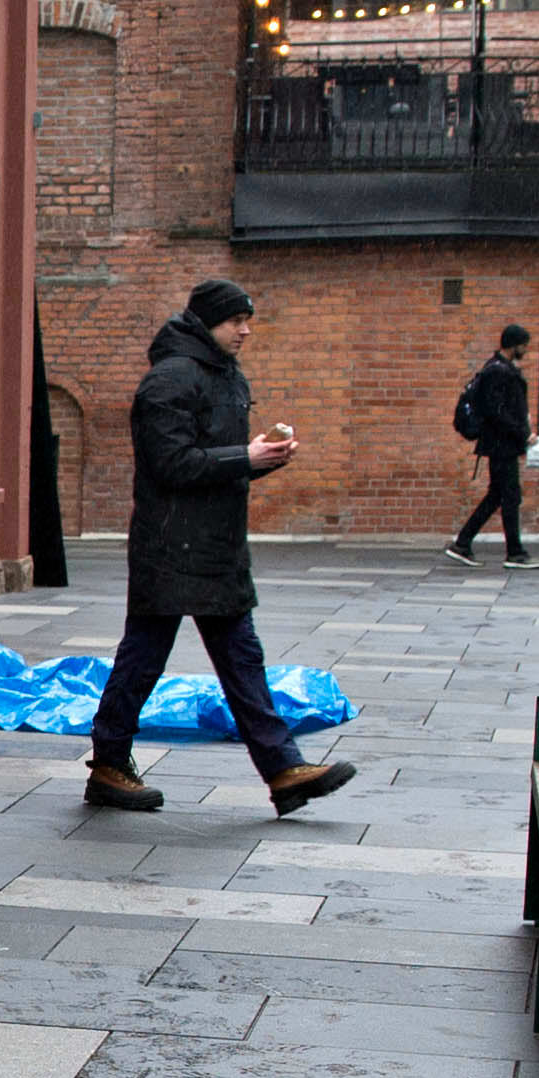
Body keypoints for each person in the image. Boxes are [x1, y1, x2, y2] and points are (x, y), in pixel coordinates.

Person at [89, 279, 356, 817]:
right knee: (142, 660)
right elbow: (171, 464)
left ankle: (284, 770)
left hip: (217, 547)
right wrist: (245, 458)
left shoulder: (227, 375)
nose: (246, 330)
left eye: (247, 320)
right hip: (170, 546)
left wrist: (261, 457)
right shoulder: (168, 380)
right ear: (208, 323)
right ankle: (110, 765)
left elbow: (217, 461)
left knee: (242, 662)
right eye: (236, 321)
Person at [449, 322, 539, 570]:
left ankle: (463, 543)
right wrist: (523, 433)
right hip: (501, 445)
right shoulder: (498, 372)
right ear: (513, 345)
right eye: (523, 345)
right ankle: (514, 553)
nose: (525, 350)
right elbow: (497, 411)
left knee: (499, 496)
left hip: (502, 443)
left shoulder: (499, 368)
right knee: (509, 496)